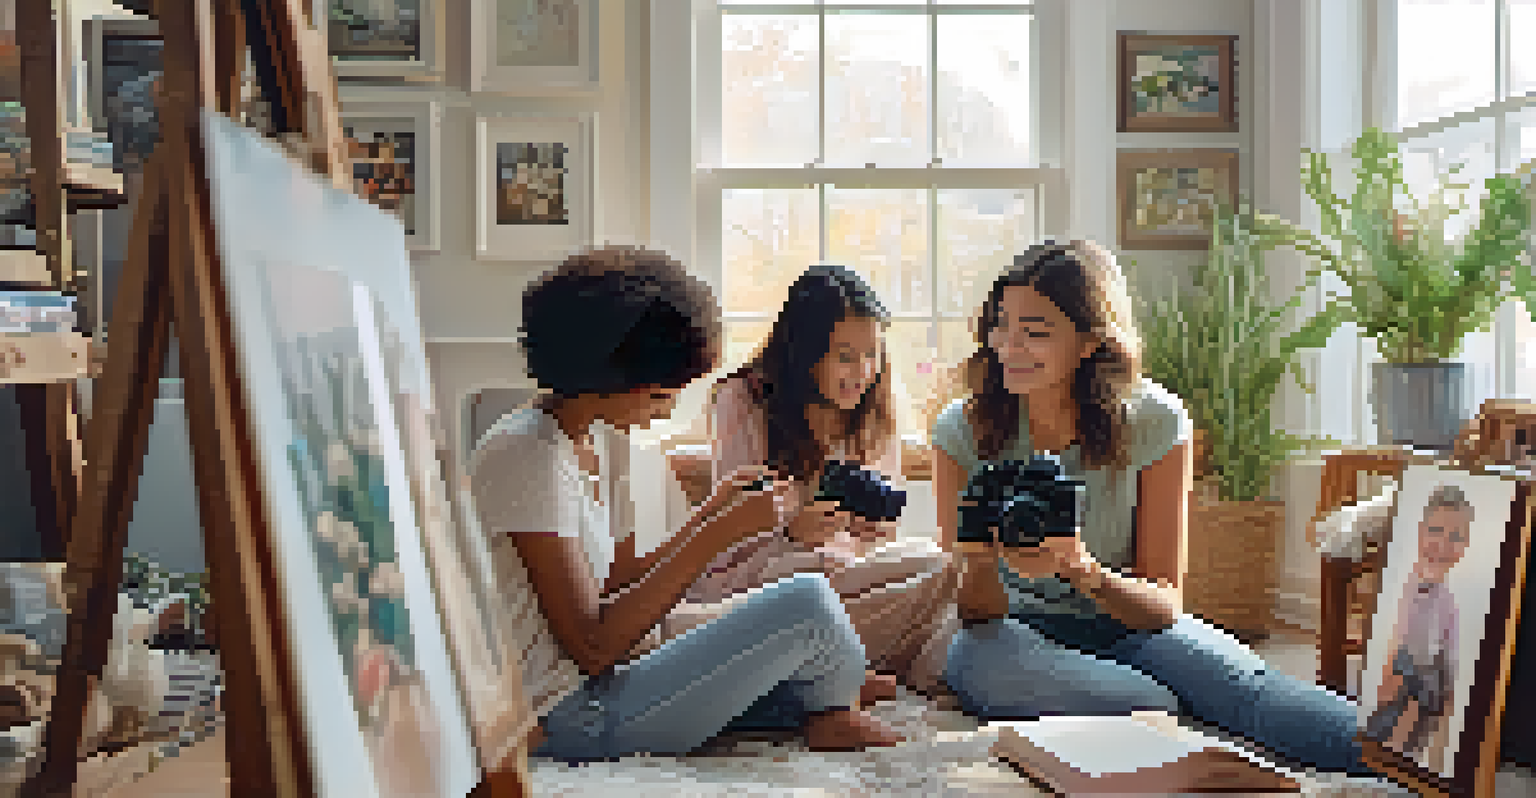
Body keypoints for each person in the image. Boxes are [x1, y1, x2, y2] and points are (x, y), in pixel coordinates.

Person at [930, 240, 1372, 774]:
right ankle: (1165, 717)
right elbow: (970, 611)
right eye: (1001, 325)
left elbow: (1163, 601)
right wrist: (980, 560)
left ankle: (1423, 763)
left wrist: (1082, 571)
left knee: (1254, 694)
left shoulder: (1155, 422)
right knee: (975, 660)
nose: (1008, 346)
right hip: (1012, 632)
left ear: (1090, 342)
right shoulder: (963, 430)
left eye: (1036, 331)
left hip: (1128, 622)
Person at [467, 245, 903, 762]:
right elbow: (592, 646)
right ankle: (826, 700)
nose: (667, 411)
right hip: (571, 716)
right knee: (807, 603)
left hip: (614, 676)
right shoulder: (527, 455)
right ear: (606, 376)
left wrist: (712, 514)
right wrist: (716, 536)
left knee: (797, 615)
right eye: (657, 397)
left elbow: (612, 579)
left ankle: (824, 693)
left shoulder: (580, 438)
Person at [684, 263, 961, 700]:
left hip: (843, 575)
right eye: (845, 356)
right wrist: (792, 533)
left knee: (937, 563)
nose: (862, 371)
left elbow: (882, 534)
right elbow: (731, 537)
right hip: (761, 579)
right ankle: (847, 672)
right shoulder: (743, 400)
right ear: (804, 353)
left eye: (872, 354)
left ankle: (828, 671)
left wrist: (873, 532)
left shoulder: (875, 407)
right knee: (922, 584)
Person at [1366, 484, 1473, 772]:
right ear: (1420, 531)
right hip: (1403, 670)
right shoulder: (1405, 582)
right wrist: (1389, 676)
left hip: (1429, 680)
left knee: (1433, 681)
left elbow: (1449, 657)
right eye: (1436, 531)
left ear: (1465, 546)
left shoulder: (1449, 601)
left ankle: (1410, 756)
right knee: (1404, 677)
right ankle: (1392, 755)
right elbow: (1396, 634)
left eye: (1456, 537)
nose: (1443, 543)